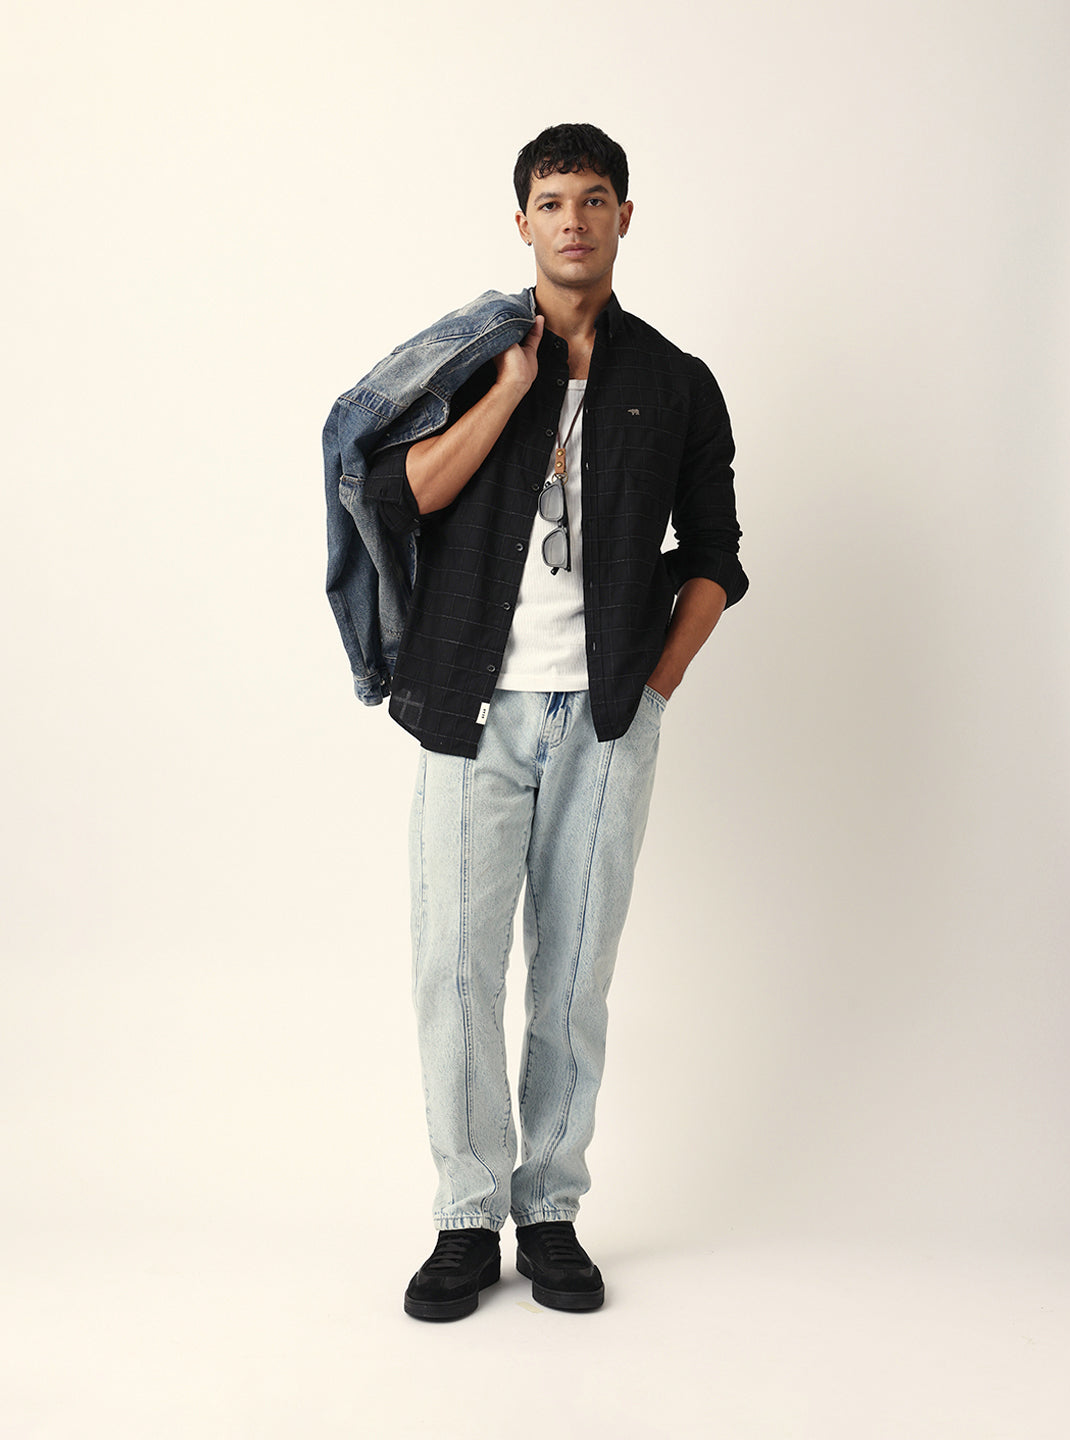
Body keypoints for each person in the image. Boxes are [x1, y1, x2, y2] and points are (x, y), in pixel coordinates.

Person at [360, 122, 748, 1320]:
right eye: (550, 200)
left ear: (624, 216)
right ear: (520, 222)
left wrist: (651, 693)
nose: (572, 219)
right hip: (468, 709)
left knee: (573, 977)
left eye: (593, 198)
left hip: (605, 719)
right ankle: (465, 1216)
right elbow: (399, 496)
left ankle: (551, 1210)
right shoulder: (469, 361)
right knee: (454, 968)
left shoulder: (676, 383)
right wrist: (514, 391)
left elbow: (717, 558)